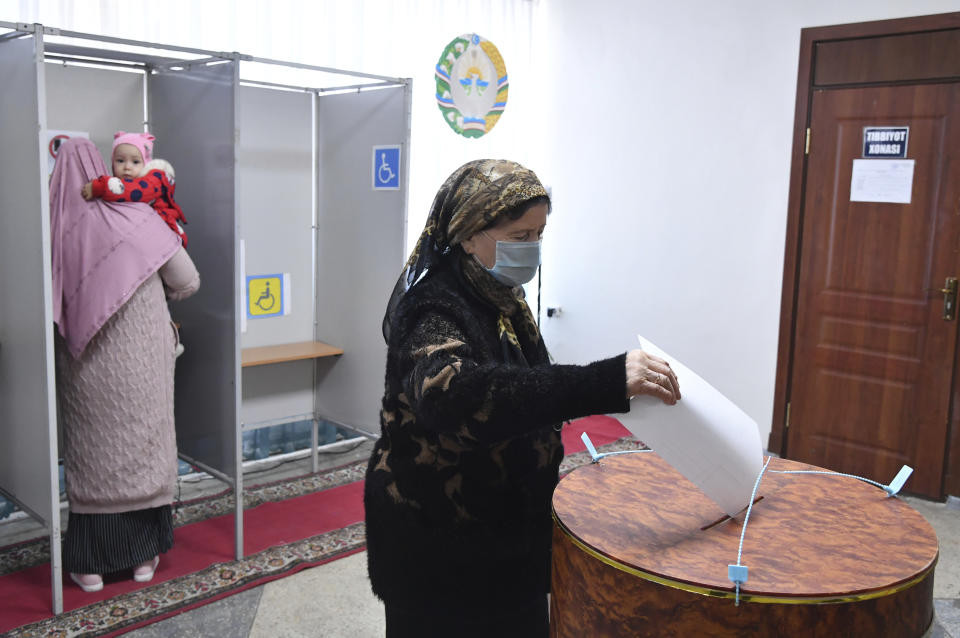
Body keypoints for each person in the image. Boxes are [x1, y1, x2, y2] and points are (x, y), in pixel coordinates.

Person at [364, 159, 680, 637]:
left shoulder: (500, 296)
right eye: (519, 235)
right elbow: (460, 398)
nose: (532, 248)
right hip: (439, 549)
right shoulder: (433, 307)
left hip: (506, 535)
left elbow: (527, 387)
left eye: (539, 234)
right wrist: (605, 381)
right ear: (469, 235)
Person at [50, 137, 200, 593]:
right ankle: (144, 557)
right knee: (143, 442)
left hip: (85, 367)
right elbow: (188, 281)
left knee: (94, 454)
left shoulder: (55, 229)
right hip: (143, 360)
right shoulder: (142, 217)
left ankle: (89, 565)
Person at [81, 131, 188, 247]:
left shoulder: (154, 181)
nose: (127, 167)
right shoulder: (116, 187)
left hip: (168, 238)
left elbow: (135, 191)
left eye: (135, 162)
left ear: (146, 164)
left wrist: (100, 187)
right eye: (120, 161)